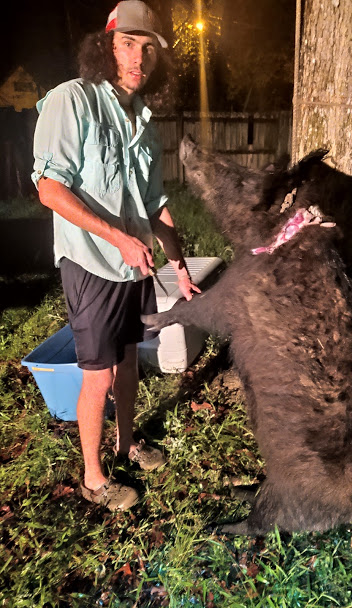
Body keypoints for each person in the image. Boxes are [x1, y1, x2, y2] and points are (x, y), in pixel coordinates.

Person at [32, 0, 200, 511]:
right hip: (91, 263)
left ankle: (128, 442)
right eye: (128, 43)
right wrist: (118, 237)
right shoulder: (72, 100)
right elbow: (48, 187)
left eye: (149, 48)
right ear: (106, 46)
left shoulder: (144, 121)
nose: (139, 58)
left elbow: (156, 205)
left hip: (136, 264)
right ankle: (94, 477)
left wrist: (180, 266)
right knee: (98, 372)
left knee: (128, 361)